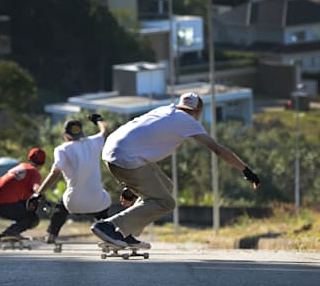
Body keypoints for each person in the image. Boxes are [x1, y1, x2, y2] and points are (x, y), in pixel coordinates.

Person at [91, 92, 260, 248]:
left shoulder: (165, 110)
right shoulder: (188, 121)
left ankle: (125, 233)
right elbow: (218, 150)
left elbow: (141, 138)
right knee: (166, 202)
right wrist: (246, 170)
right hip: (127, 160)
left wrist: (132, 189)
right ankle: (108, 226)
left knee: (165, 186)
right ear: (198, 111)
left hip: (113, 152)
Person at [30, 116, 123, 245]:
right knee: (103, 211)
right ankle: (111, 235)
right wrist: (98, 119)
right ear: (82, 133)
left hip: (73, 203)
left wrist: (38, 194)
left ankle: (52, 234)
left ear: (65, 136)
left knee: (60, 207)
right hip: (96, 202)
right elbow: (105, 131)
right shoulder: (93, 142)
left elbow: (55, 173)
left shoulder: (62, 149)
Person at [0, 147, 46, 241]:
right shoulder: (34, 172)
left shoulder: (21, 166)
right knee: (32, 218)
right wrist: (42, 196)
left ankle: (13, 232)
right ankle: (9, 233)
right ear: (42, 164)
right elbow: (36, 188)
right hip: (0, 203)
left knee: (25, 207)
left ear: (29, 159)